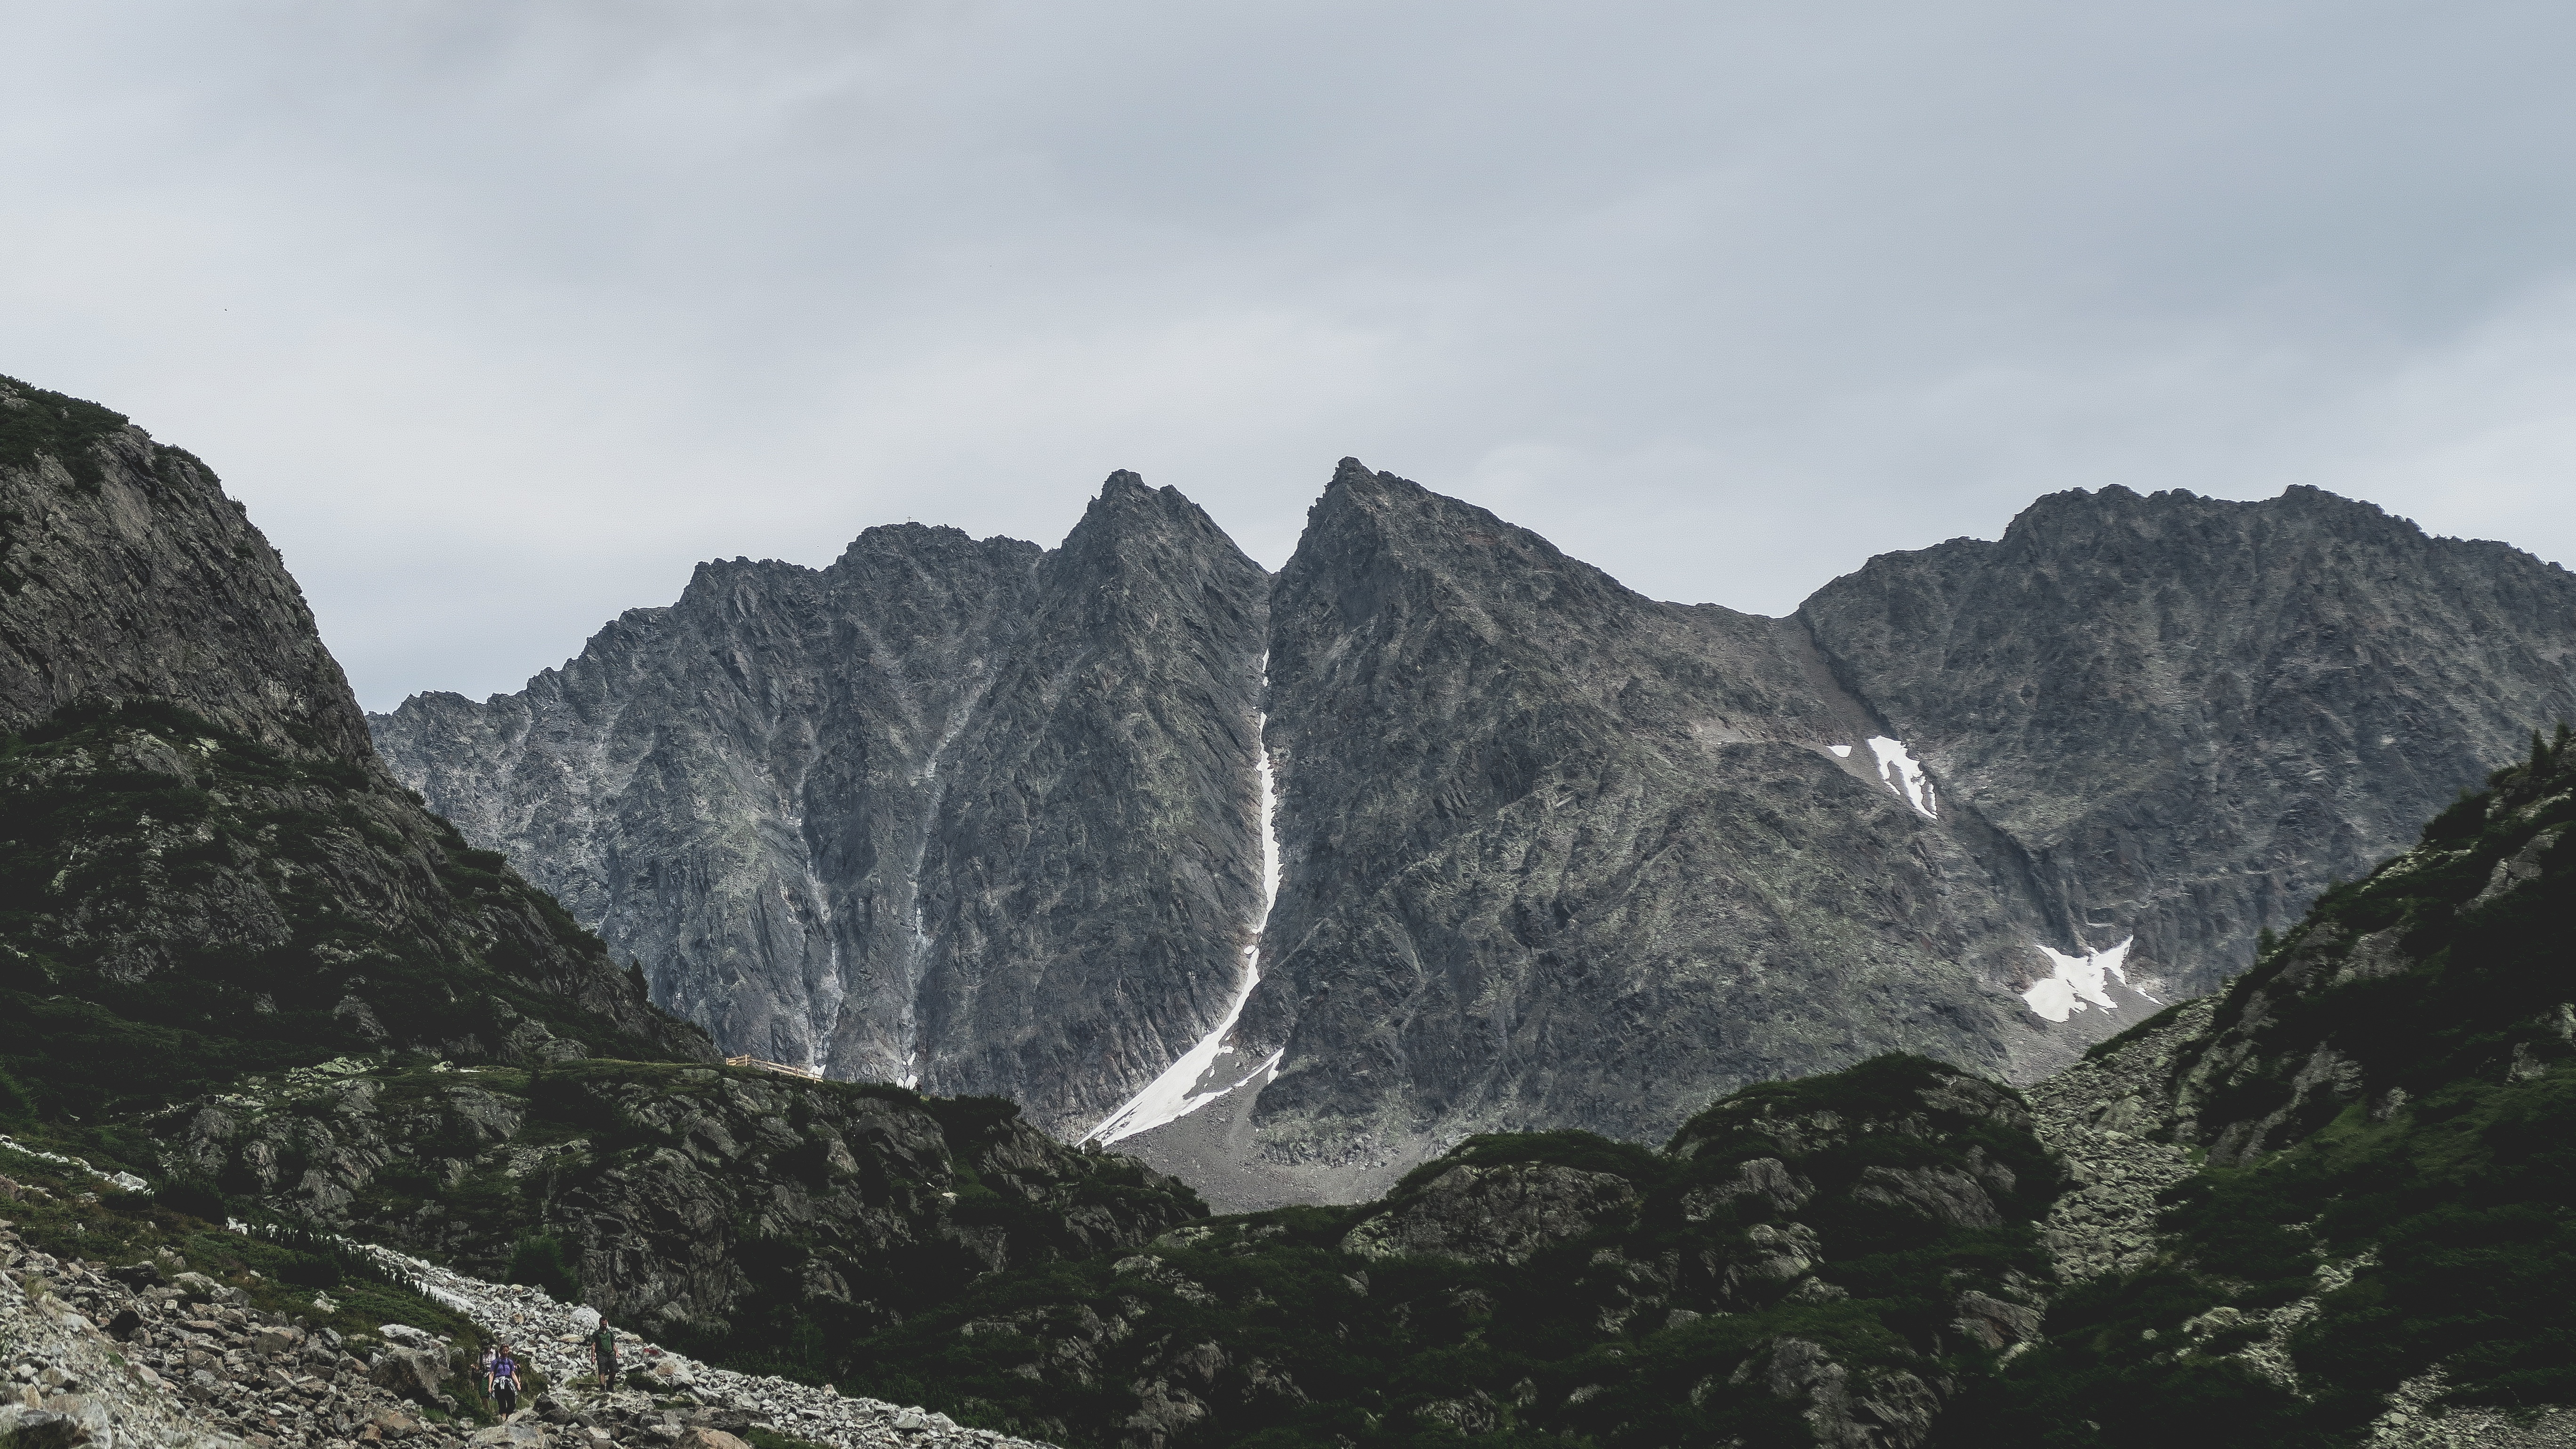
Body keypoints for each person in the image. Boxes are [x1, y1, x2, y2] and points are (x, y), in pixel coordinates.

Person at [492, 1348, 522, 1416]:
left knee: (511, 1399)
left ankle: (509, 1414)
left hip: (508, 1382)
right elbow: (492, 1374)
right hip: (498, 1382)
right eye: (503, 1351)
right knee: (501, 1399)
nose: (505, 1353)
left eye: (506, 1351)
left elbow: (513, 1374)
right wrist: (490, 1386)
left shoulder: (510, 1362)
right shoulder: (495, 1362)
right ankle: (503, 1416)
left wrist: (518, 1384)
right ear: (500, 1352)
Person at [591, 1321, 619, 1389]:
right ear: (600, 1324)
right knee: (602, 1372)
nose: (604, 1326)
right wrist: (593, 1356)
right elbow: (594, 1346)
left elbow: (613, 1344)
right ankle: (602, 1388)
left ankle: (610, 1385)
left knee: (614, 1370)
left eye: (605, 1324)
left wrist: (617, 1352)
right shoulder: (596, 1334)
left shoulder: (610, 1333)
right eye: (603, 1324)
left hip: (611, 1354)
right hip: (601, 1355)